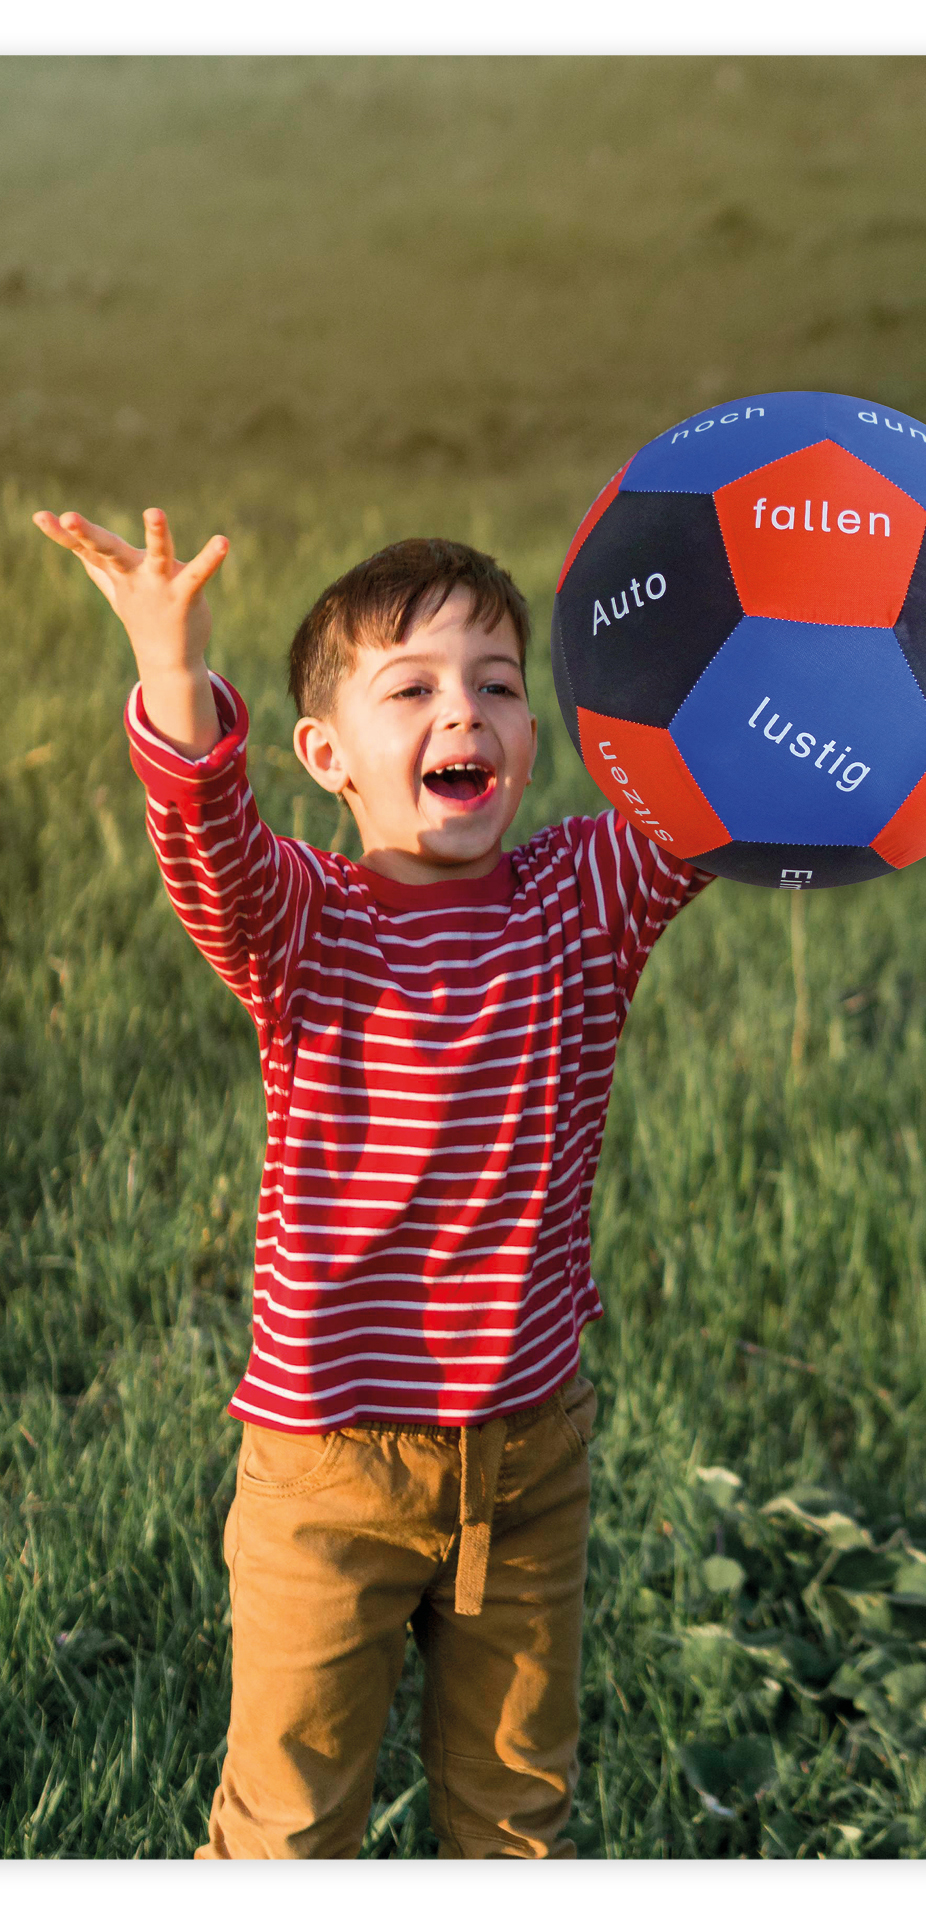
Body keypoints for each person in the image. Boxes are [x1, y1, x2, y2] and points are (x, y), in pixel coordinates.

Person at [31, 512, 709, 1858]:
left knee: (518, 1816)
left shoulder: (585, 895)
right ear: (327, 758)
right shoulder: (307, 928)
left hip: (529, 1456)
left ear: (532, 735)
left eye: (499, 684)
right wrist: (172, 666)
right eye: (413, 688)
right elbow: (207, 846)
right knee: (289, 1826)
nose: (465, 709)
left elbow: (709, 797)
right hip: (331, 1470)